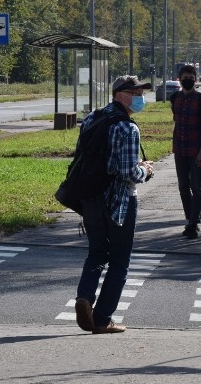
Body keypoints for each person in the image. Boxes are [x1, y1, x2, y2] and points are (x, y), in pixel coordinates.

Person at [75, 75, 154, 335]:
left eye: (140, 92)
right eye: (135, 92)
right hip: (119, 202)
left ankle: (85, 296)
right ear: (119, 94)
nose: (140, 97)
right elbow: (128, 172)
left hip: (89, 198)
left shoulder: (91, 119)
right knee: (120, 260)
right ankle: (102, 318)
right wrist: (146, 170)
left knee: (96, 253)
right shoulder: (127, 128)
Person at [170, 64, 201, 238]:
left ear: (196, 80)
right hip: (179, 148)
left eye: (191, 78)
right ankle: (190, 219)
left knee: (196, 187)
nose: (188, 81)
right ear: (180, 79)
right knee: (183, 187)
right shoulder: (174, 98)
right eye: (185, 78)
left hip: (196, 150)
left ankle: (194, 224)